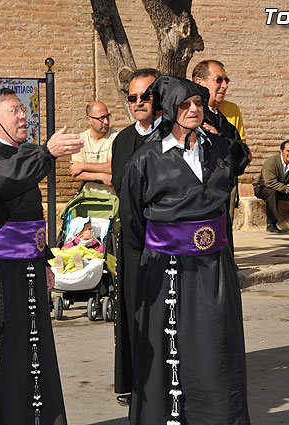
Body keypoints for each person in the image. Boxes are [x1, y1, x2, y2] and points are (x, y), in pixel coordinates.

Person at [120, 76, 250, 424]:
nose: (194, 110)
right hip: (167, 269)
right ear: (167, 110)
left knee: (214, 346)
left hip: (214, 267)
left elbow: (242, 157)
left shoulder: (219, 149)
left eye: (198, 103)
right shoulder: (145, 159)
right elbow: (132, 222)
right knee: (169, 350)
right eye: (185, 105)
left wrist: (220, 126)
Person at [0, 87, 83, 425]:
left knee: (35, 347)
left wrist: (44, 261)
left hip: (29, 265)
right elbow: (4, 180)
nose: (23, 115)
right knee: (10, 350)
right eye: (14, 110)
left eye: (24, 109)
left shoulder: (22, 150)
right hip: (1, 273)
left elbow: (30, 215)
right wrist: (47, 152)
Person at [110, 67, 161, 407]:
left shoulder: (171, 136)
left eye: (145, 96)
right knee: (131, 311)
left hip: (163, 240)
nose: (138, 102)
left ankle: (163, 378)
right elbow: (118, 183)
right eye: (132, 97)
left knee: (161, 311)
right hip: (130, 240)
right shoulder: (122, 140)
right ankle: (133, 382)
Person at [193, 60, 251, 256]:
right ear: (200, 82)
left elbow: (243, 152)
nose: (225, 85)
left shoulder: (220, 116)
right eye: (219, 80)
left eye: (226, 80)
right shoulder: (192, 116)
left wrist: (219, 138)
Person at [253, 140, 289, 233]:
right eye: (287, 151)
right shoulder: (272, 161)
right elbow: (269, 182)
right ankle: (271, 224)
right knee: (271, 193)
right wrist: (288, 190)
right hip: (263, 187)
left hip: (279, 188)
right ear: (281, 151)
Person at [70, 101, 117, 194]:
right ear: (89, 120)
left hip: (112, 200)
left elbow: (111, 168)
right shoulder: (80, 140)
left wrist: (82, 166)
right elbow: (77, 174)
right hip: (89, 200)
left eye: (107, 116)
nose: (106, 122)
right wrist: (102, 177)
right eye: (101, 118)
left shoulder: (116, 137)